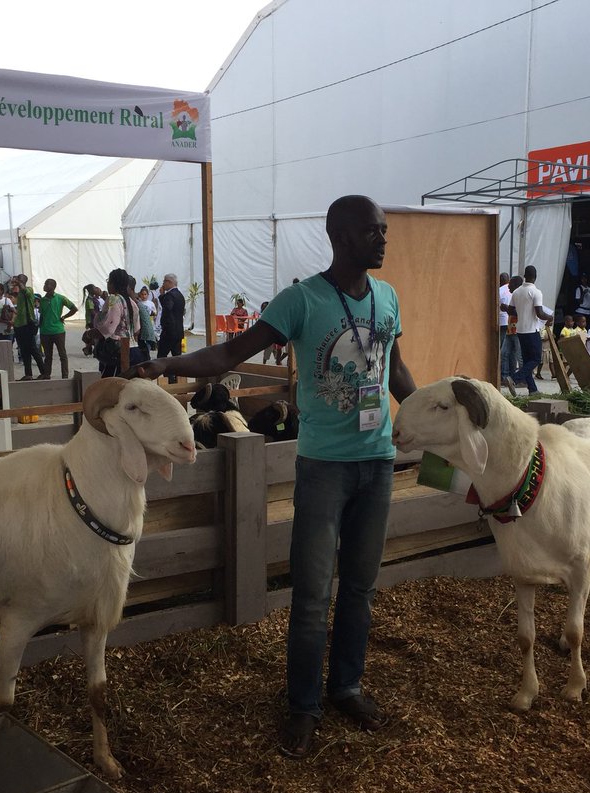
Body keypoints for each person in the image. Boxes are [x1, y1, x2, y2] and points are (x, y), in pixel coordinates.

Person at [133, 194, 416, 759]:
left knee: (359, 587)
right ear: (340, 236)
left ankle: (347, 687)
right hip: (325, 469)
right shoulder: (302, 300)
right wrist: (168, 364)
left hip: (377, 461)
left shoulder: (387, 297)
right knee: (312, 595)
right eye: (372, 231)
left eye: (383, 230)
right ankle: (303, 706)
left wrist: (437, 412)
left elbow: (395, 370)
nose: (383, 239)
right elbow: (232, 354)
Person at [507, 265, 553, 395]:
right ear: (535, 277)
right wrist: (550, 317)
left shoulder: (516, 292)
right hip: (532, 330)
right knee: (536, 359)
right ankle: (514, 378)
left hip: (520, 330)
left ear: (524, 276)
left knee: (527, 360)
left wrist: (522, 312)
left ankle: (532, 389)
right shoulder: (536, 292)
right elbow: (539, 313)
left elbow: (510, 310)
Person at [37, 278, 79, 379]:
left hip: (58, 331)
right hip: (45, 331)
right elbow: (42, 315)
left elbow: (74, 308)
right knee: (48, 355)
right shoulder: (42, 300)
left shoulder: (61, 298)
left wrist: (64, 317)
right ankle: (47, 374)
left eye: (47, 284)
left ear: (52, 286)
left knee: (62, 355)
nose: (44, 285)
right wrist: (39, 326)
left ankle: (65, 375)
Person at [10, 275, 48, 381]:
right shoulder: (19, 292)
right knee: (24, 350)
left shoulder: (29, 290)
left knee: (33, 349)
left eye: (19, 279)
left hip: (27, 324)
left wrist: (18, 283)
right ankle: (28, 374)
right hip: (19, 325)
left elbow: (26, 291)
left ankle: (44, 372)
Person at [156, 273, 186, 381]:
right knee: (177, 357)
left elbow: (167, 308)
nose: (163, 284)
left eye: (164, 281)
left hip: (169, 331)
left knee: (161, 356)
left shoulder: (169, 295)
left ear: (169, 282)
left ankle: (169, 378)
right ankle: (178, 379)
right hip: (178, 331)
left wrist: (162, 296)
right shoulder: (180, 295)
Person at [498, 272, 522, 392]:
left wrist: (506, 308)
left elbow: (520, 312)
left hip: (517, 329)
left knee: (518, 355)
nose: (508, 286)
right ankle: (506, 377)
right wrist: (507, 309)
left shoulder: (520, 296)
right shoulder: (513, 296)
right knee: (506, 353)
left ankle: (521, 379)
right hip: (509, 328)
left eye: (511, 284)